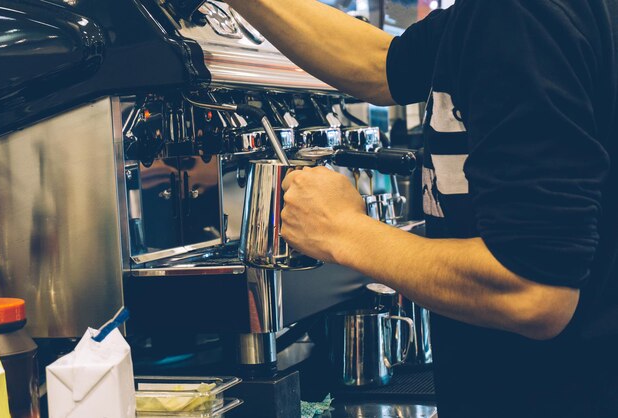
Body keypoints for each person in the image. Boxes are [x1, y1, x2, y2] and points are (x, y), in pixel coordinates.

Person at [223, 0, 618, 416]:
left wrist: (344, 230)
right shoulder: (490, 16)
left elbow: (532, 290)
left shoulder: (517, 11)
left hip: (557, 395)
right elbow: (380, 64)